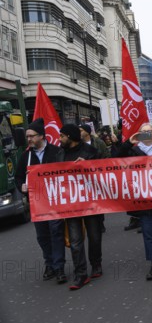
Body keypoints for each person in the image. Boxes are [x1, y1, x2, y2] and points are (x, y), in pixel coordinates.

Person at [116, 123, 152, 280]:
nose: (147, 134)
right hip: (144, 200)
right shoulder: (133, 150)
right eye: (143, 132)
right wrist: (130, 141)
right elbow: (115, 157)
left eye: (149, 132)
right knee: (149, 234)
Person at [15, 118, 67, 284]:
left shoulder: (57, 152)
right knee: (42, 235)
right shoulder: (25, 156)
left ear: (42, 136)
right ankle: (49, 263)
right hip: (36, 203)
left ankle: (59, 267)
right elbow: (18, 177)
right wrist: (21, 186)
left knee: (56, 232)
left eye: (32, 136)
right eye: (27, 136)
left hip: (54, 201)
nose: (29, 139)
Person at [58, 124, 102, 290]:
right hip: (71, 204)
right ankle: (81, 274)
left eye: (62, 136)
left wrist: (88, 164)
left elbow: (104, 170)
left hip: (91, 202)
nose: (59, 139)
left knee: (94, 236)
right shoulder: (60, 154)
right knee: (75, 241)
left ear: (70, 137)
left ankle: (96, 264)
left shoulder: (90, 152)